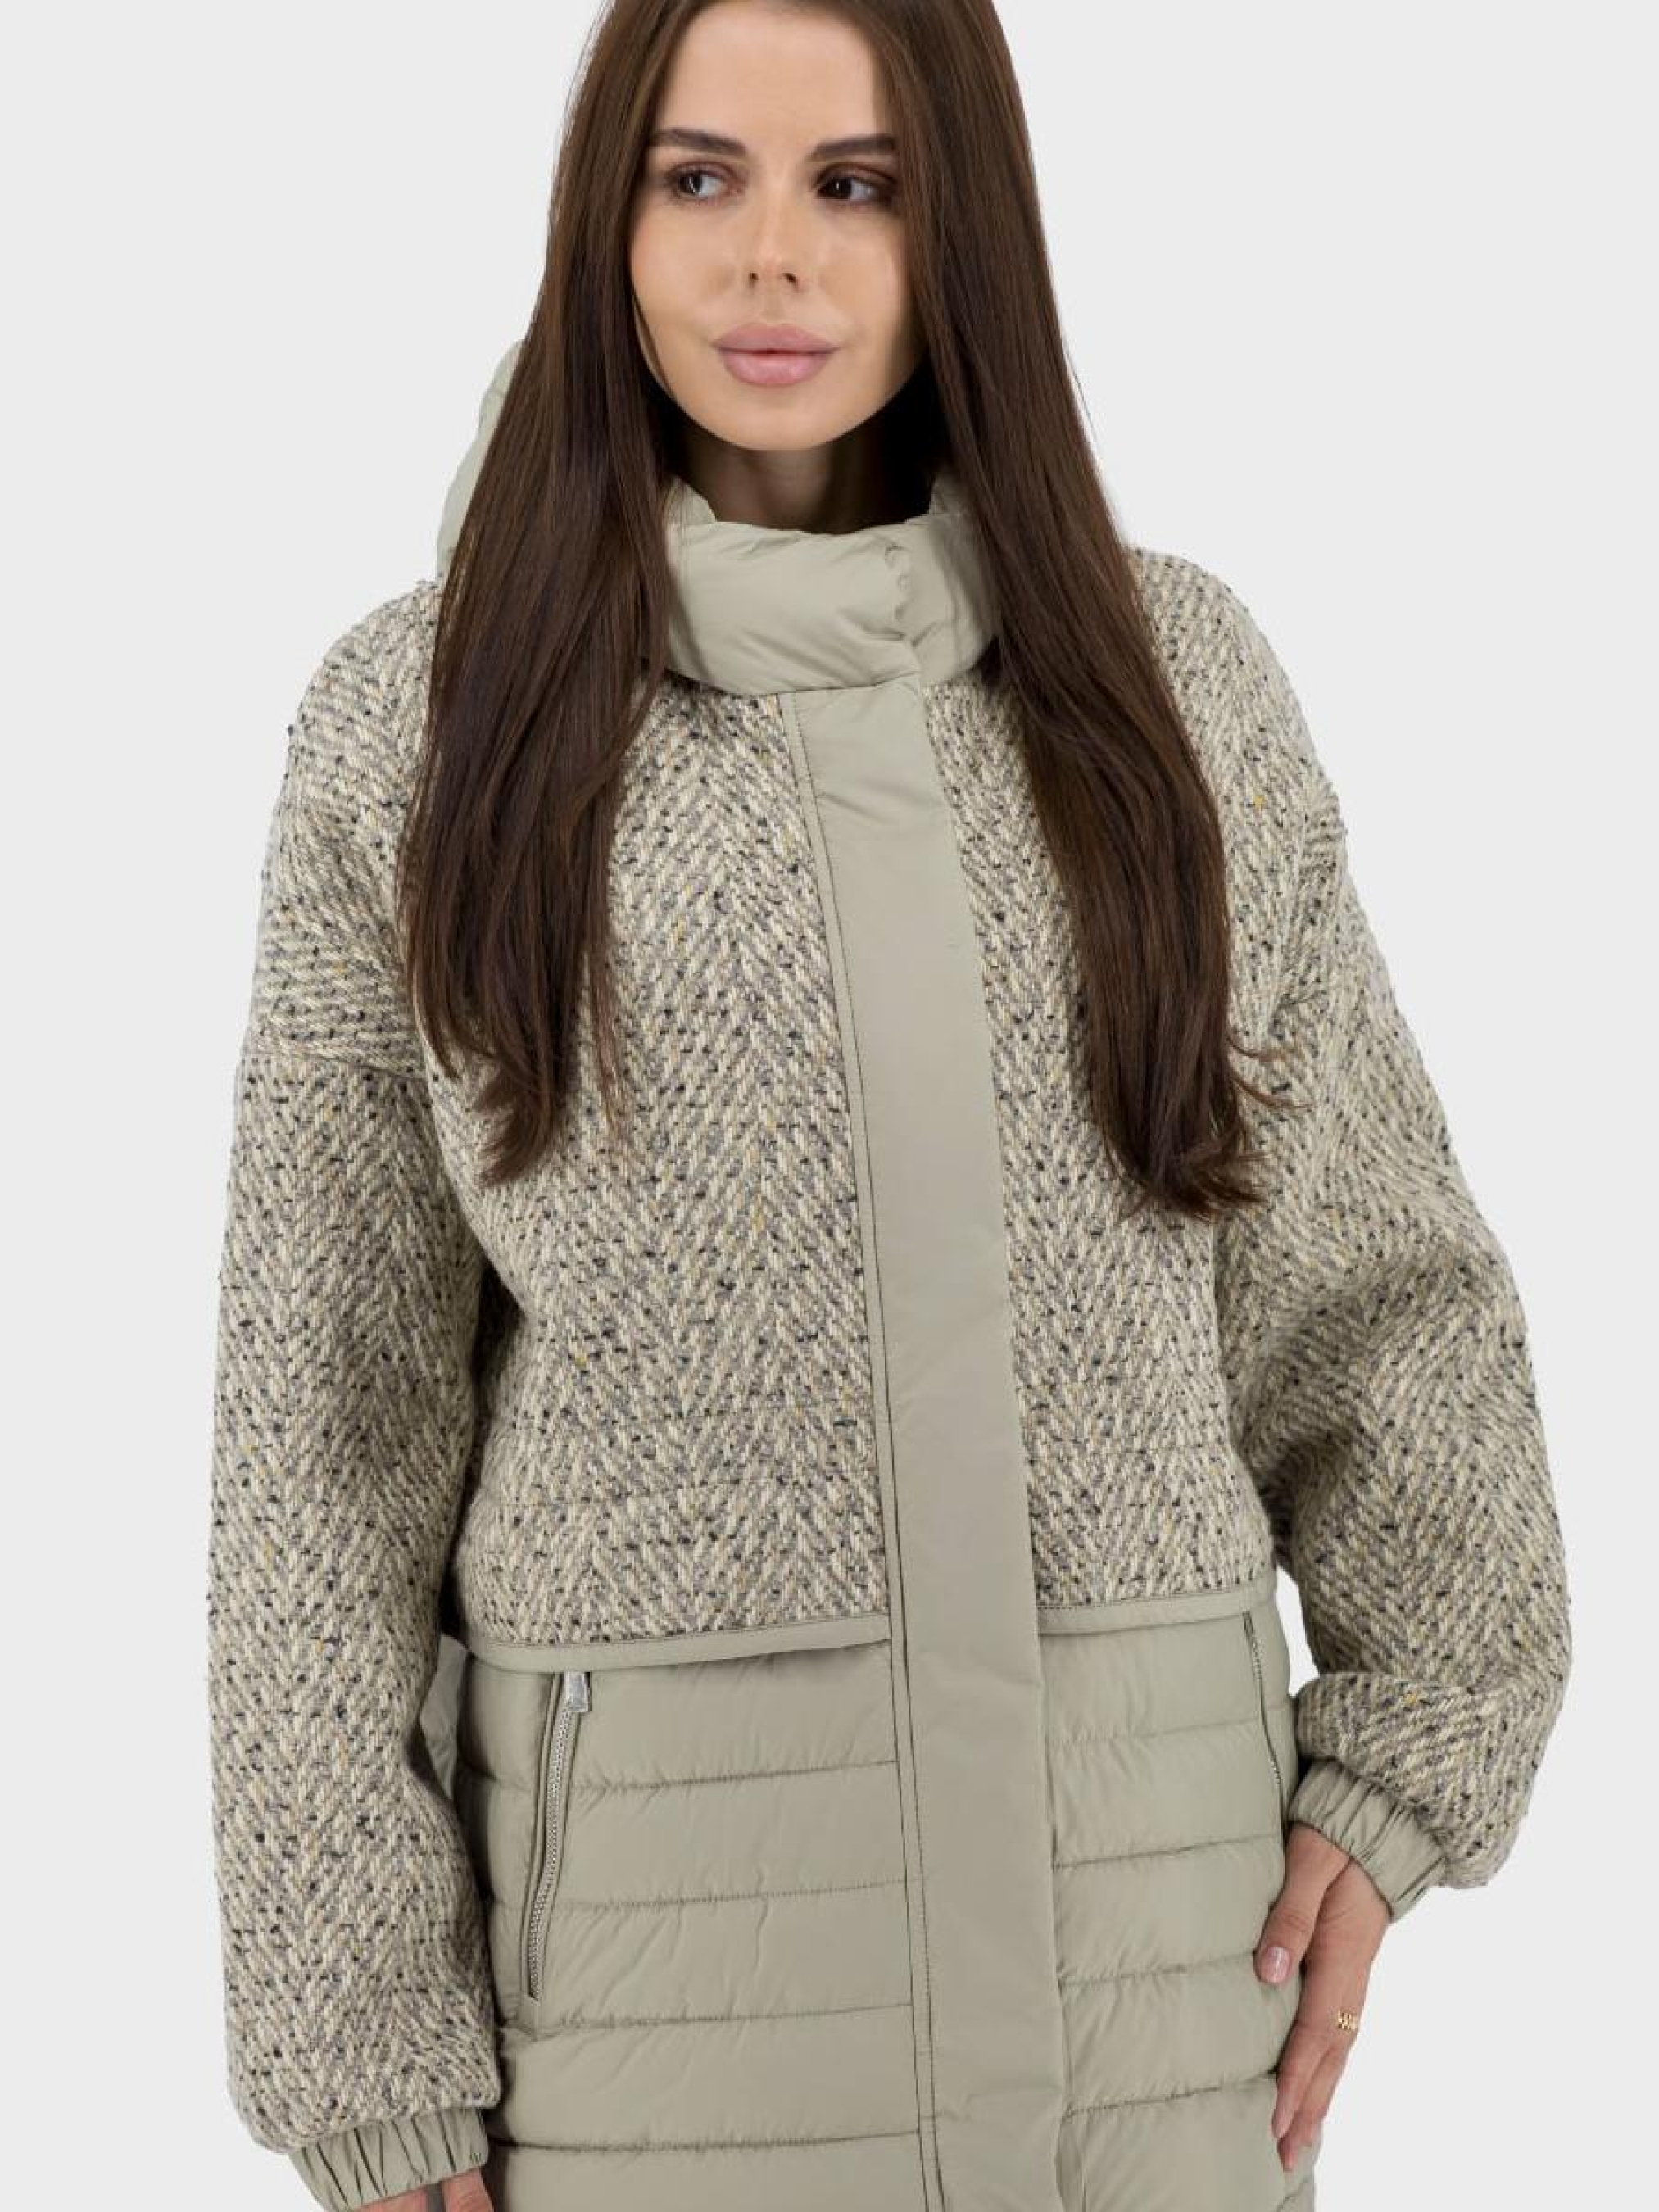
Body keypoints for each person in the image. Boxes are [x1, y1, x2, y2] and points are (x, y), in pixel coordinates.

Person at [205, 2, 1572, 2208]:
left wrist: (1413, 1755)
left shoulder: (1173, 690)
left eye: (859, 184)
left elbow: (1369, 1278)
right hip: (642, 2028)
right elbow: (322, 1418)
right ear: (604, 220)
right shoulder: (425, 726)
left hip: (1155, 1996)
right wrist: (355, 2028)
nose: (775, 256)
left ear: (968, 234)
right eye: (699, 176)